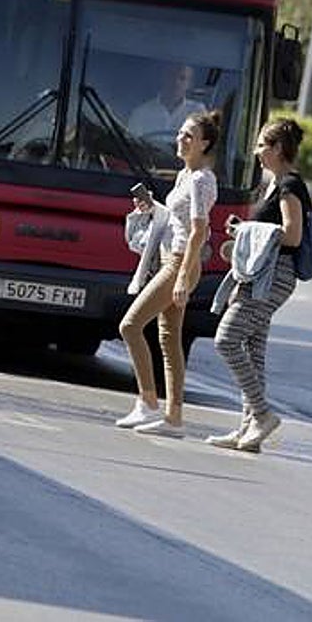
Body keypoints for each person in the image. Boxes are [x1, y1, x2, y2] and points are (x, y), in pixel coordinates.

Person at [115, 111, 220, 437]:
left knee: (130, 326)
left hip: (179, 262)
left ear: (205, 143)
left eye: (189, 135)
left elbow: (198, 232)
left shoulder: (203, 179)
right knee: (168, 339)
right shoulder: (184, 176)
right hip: (167, 257)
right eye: (181, 133)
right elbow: (178, 221)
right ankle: (173, 419)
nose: (181, 139)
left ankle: (147, 402)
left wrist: (184, 278)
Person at [207, 118, 310, 453]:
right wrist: (244, 234)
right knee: (254, 351)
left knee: (226, 339)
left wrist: (247, 232)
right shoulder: (274, 183)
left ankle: (263, 416)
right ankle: (247, 431)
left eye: (262, 145)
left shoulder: (289, 186)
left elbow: (293, 235)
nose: (257, 152)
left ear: (279, 148)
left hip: (274, 276)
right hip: (259, 273)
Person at [126, 64, 206, 138]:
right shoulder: (141, 113)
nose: (176, 82)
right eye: (172, 76)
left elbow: (203, 143)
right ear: (163, 79)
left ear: (189, 84)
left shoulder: (197, 112)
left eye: (182, 78)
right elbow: (130, 144)